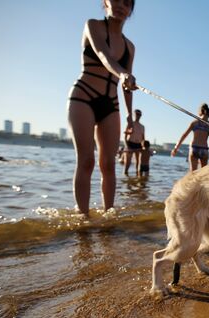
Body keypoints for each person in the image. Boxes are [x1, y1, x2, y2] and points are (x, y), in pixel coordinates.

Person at [67, 0, 137, 215]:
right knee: (86, 161)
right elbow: (103, 55)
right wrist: (123, 73)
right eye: (116, 0)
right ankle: (83, 216)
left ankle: (109, 215)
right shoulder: (93, 26)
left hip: (111, 104)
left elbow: (127, 87)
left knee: (108, 164)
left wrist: (130, 118)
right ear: (105, 2)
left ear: (131, 10)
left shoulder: (130, 47)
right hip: (83, 96)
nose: (121, 5)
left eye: (127, 3)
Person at [171, 103, 209, 171]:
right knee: (203, 172)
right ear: (208, 113)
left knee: (193, 172)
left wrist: (176, 148)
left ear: (200, 112)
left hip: (194, 148)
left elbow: (184, 135)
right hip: (204, 149)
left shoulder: (194, 123)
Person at [124, 108, 145, 175]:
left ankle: (137, 175)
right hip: (130, 144)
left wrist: (143, 147)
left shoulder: (142, 126)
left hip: (138, 145)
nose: (138, 116)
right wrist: (127, 145)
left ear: (141, 116)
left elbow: (143, 138)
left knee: (138, 162)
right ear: (134, 115)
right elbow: (125, 136)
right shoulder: (130, 124)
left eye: (139, 115)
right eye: (137, 114)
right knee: (128, 162)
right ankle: (125, 174)